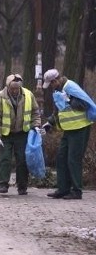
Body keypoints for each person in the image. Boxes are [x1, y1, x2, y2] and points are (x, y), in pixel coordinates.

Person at [41, 69, 96, 200]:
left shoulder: (70, 87)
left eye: (51, 84)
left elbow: (84, 104)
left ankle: (77, 191)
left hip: (80, 128)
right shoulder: (58, 90)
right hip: (69, 129)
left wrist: (69, 100)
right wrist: (49, 123)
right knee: (61, 157)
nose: (51, 87)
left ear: (55, 81)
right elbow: (58, 111)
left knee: (73, 159)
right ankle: (63, 189)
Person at [0, 73, 42, 195]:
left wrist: (36, 126)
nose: (14, 91)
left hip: (22, 133)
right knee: (4, 159)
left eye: (17, 88)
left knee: (23, 160)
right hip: (5, 135)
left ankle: (22, 187)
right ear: (7, 87)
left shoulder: (28, 95)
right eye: (12, 89)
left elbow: (35, 112)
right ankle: (3, 184)